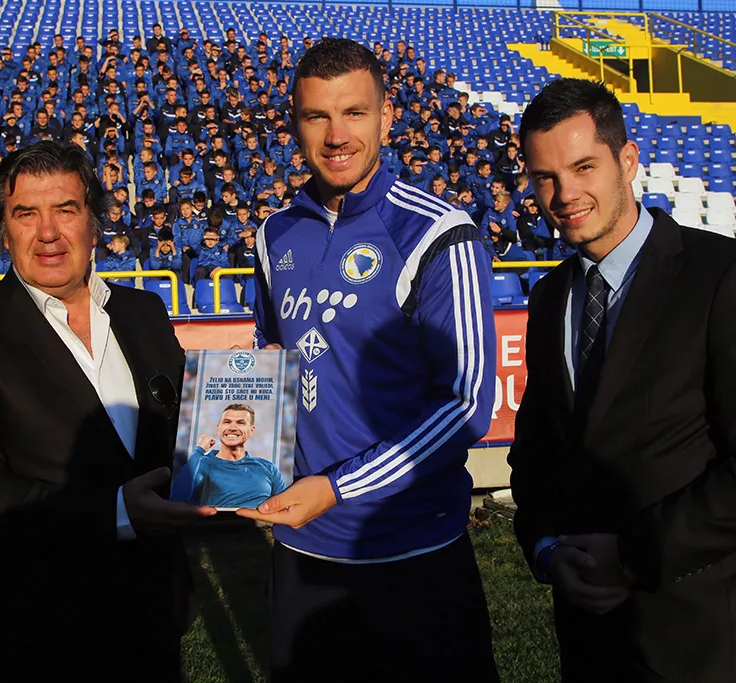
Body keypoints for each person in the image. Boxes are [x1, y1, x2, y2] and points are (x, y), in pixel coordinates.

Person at [508, 78, 736, 683]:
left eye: (584, 167)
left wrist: (636, 555)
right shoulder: (551, 296)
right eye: (544, 177)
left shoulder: (727, 275)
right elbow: (536, 453)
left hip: (701, 641)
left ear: (628, 160)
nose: (565, 194)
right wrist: (548, 550)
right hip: (588, 639)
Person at [243, 38, 499, 683]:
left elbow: (467, 404)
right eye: (317, 116)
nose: (336, 136)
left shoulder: (439, 233)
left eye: (354, 113)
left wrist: (337, 488)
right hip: (302, 548)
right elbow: (274, 353)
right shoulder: (274, 233)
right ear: (295, 123)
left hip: (413, 549)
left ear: (387, 117)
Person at [0, 141, 215, 682]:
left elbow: (176, 435)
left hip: (151, 610)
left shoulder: (143, 311)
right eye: (25, 214)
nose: (48, 232)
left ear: (94, 224)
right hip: (31, 627)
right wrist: (117, 512)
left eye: (65, 210)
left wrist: (238, 398)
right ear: (4, 232)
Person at [170, 404, 287, 508]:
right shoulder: (202, 464)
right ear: (218, 428)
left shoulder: (268, 468)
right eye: (227, 422)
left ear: (251, 430)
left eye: (240, 423)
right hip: (215, 525)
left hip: (260, 525)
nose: (232, 428)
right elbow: (177, 498)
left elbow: (284, 509)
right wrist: (199, 449)